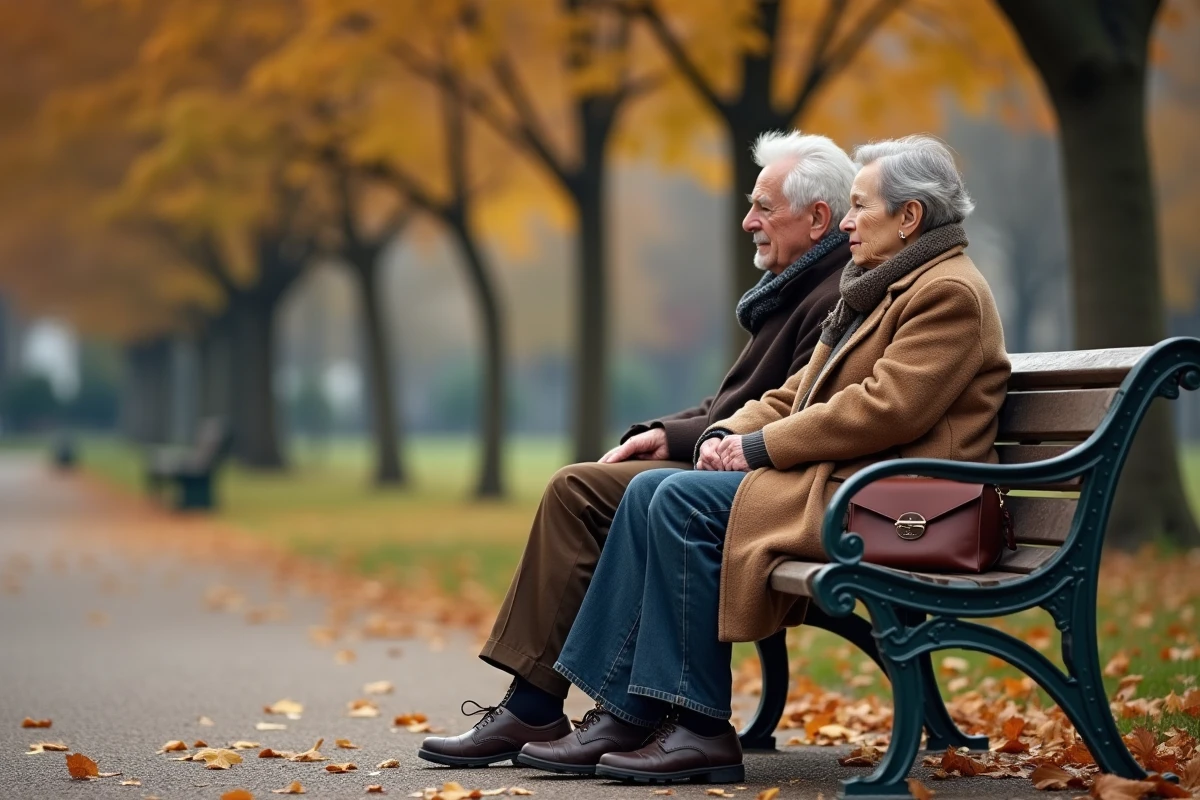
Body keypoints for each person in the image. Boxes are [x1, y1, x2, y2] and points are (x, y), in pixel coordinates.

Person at [541, 135, 1011, 784]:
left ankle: (699, 726)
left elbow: (886, 409)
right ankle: (627, 714)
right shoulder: (879, 286)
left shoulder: (947, 292)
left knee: (674, 501)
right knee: (653, 489)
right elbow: (797, 393)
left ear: (910, 218)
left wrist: (757, 449)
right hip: (851, 489)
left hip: (904, 506)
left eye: (859, 206)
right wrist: (724, 435)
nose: (846, 221)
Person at [418, 130, 857, 769]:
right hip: (729, 455)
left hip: (762, 473)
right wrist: (668, 433)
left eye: (764, 207)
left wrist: (706, 440)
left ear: (817, 218)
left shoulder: (832, 294)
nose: (749, 221)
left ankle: (615, 712)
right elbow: (740, 401)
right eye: (750, 204)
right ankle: (534, 705)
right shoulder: (796, 286)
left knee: (634, 494)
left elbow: (791, 411)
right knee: (576, 488)